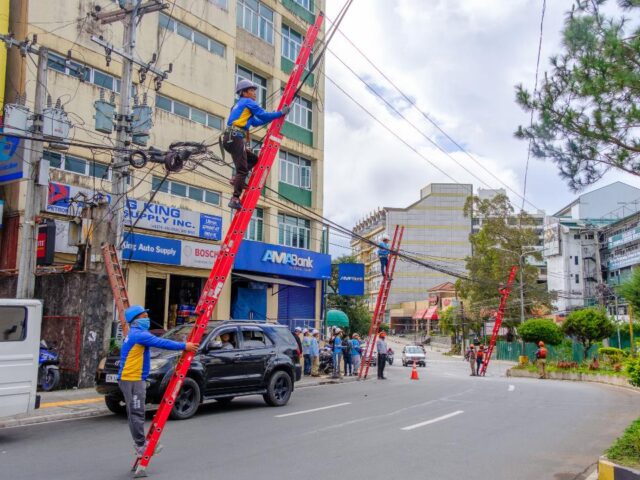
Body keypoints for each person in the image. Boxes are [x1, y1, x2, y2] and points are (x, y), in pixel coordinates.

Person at [118, 305, 199, 458]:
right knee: (136, 414)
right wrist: (185, 346)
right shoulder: (139, 335)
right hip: (132, 379)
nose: (147, 319)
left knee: (136, 413)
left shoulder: (136, 333)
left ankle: (140, 443)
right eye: (144, 317)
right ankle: (141, 446)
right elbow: (162, 343)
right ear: (136, 320)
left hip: (133, 378)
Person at [223, 79, 290, 209]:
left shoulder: (239, 105)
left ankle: (236, 180)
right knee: (242, 169)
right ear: (244, 92)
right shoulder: (248, 102)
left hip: (230, 138)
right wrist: (280, 113)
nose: (255, 93)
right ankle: (235, 199)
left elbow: (256, 122)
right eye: (252, 90)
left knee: (253, 159)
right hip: (235, 137)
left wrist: (276, 115)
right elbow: (263, 116)